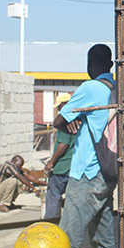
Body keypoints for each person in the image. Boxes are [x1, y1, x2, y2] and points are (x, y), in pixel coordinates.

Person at [53, 44, 117, 248]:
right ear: (110, 64)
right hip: (107, 171)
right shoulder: (115, 88)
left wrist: (71, 123)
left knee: (67, 240)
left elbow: (59, 121)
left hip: (86, 172)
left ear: (89, 64)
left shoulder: (90, 88)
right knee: (104, 237)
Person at [43, 92, 75, 220]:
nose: (58, 109)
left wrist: (51, 162)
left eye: (59, 106)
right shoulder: (78, 118)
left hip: (62, 166)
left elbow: (63, 144)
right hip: (73, 166)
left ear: (64, 105)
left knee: (53, 195)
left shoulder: (65, 120)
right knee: (71, 197)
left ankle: (51, 222)